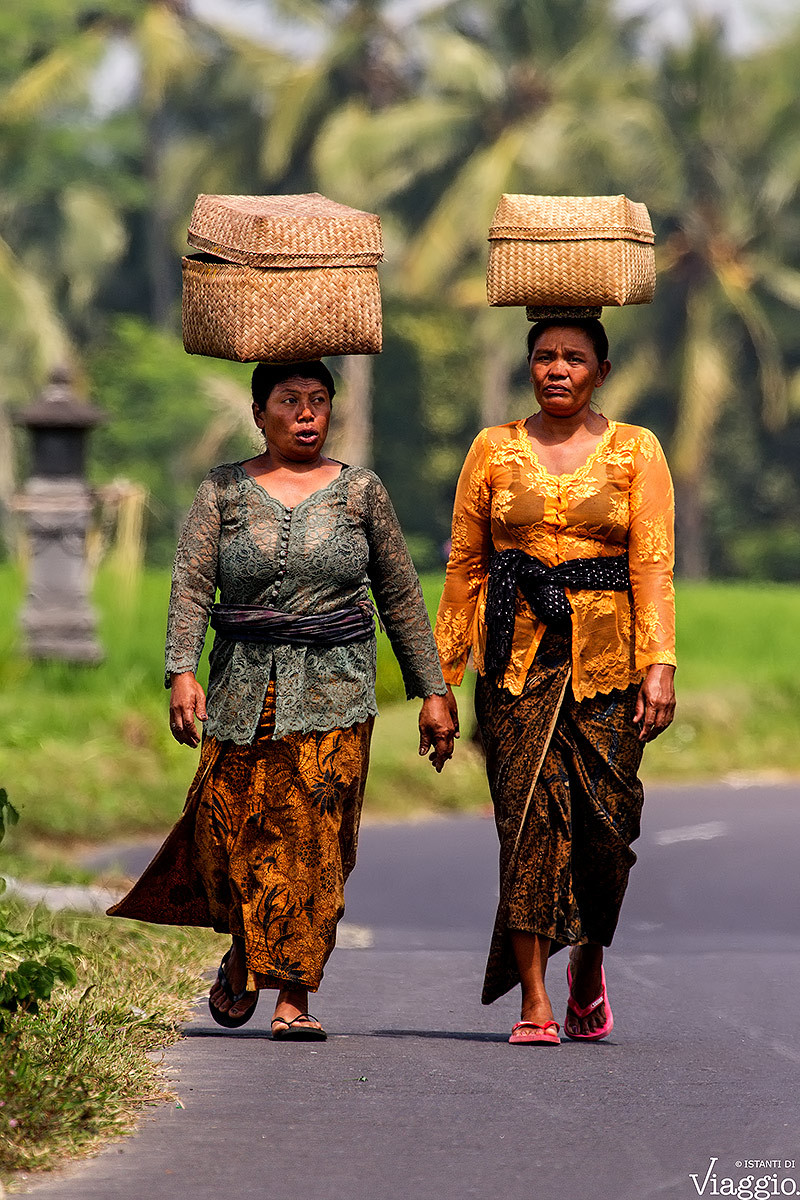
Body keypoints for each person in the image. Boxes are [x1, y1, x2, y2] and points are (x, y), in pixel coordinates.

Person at [109, 359, 455, 1040]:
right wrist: (181, 671)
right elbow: (190, 585)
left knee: (315, 844)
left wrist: (432, 691)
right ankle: (247, 945)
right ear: (258, 412)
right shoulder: (223, 491)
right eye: (290, 400)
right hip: (243, 691)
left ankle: (293, 996)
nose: (306, 414)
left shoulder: (362, 492)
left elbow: (400, 597)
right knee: (232, 834)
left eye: (318, 400)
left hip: (336, 693)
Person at [434, 318, 676, 1045]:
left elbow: (652, 565)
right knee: (527, 826)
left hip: (609, 666)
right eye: (544, 357)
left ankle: (589, 955)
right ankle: (535, 1002)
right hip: (514, 663)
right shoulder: (492, 448)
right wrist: (440, 685)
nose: (557, 369)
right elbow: (464, 567)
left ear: (602, 371)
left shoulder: (638, 449)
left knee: (609, 831)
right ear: (528, 367)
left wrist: (660, 665)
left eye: (574, 358)